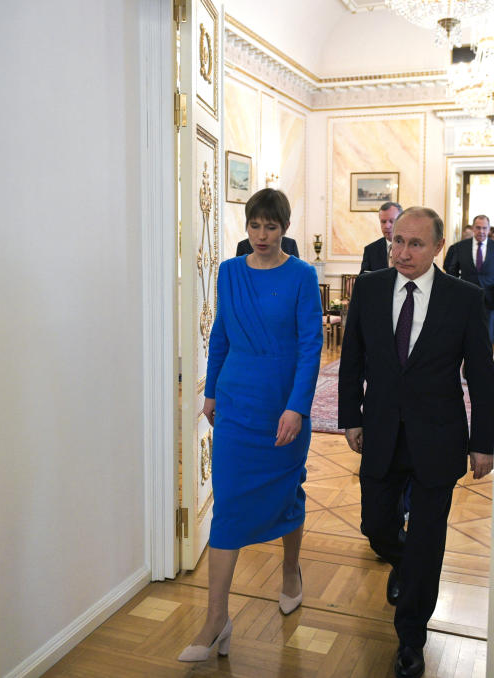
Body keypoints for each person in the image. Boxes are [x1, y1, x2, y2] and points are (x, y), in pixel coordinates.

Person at [338, 207, 494, 678]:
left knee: (429, 542)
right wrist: (350, 417)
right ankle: (404, 563)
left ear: (438, 248)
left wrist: (482, 442)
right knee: (377, 527)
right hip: (381, 433)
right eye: (397, 241)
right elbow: (352, 360)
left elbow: (482, 378)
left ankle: (411, 638)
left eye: (415, 244)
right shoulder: (367, 288)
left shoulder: (464, 299)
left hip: (438, 439)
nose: (402, 252)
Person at [179, 188, 323, 662]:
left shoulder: (302, 275)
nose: (262, 236)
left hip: (281, 403)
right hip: (237, 402)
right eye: (255, 226)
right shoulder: (228, 272)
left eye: (272, 227)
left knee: (287, 491)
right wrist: (212, 391)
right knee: (229, 505)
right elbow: (220, 334)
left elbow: (309, 346)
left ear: (284, 228)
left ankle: (290, 571)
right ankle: (216, 619)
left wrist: (297, 408)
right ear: (247, 227)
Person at [443, 214, 494, 342]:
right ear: (473, 228)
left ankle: (485, 361)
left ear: (489, 229)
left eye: (484, 228)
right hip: (465, 296)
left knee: (487, 336)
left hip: (490, 299)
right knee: (465, 334)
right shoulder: (460, 247)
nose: (481, 231)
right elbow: (451, 270)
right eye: (478, 228)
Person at [359, 201, 403, 274]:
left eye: (392, 221)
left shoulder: (411, 247)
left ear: (402, 221)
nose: (387, 226)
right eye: (383, 222)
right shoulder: (370, 250)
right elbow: (363, 280)